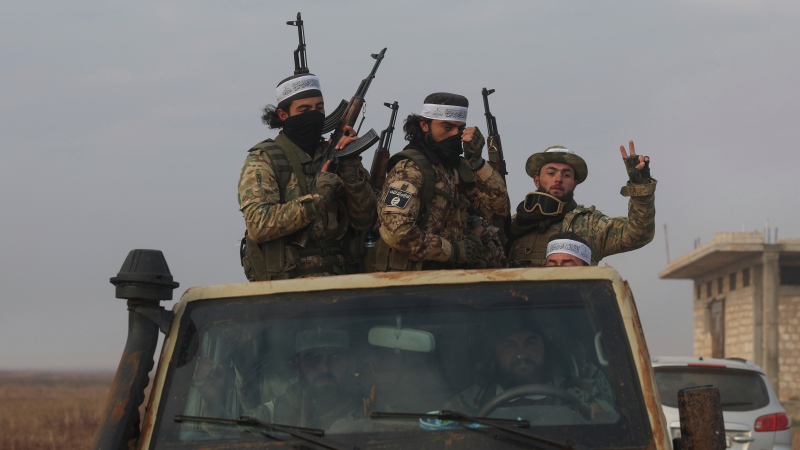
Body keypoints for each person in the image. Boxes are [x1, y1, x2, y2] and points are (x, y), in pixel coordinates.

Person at [238, 71, 377, 281]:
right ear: (284, 115)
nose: (314, 114)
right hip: (291, 285)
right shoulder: (265, 159)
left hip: (341, 277)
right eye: (304, 110)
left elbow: (365, 220)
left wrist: (350, 164)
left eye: (319, 108)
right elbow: (259, 225)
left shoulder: (335, 155)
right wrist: (317, 199)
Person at [372, 92, 510, 271]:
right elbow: (397, 231)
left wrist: (477, 161)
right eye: (447, 127)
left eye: (460, 129)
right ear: (424, 125)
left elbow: (498, 209)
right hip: (413, 281)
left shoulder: (456, 168)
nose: (455, 135)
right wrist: (451, 250)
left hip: (450, 279)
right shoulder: (410, 170)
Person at [508, 141, 656, 267]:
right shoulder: (514, 225)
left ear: (575, 183)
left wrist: (640, 185)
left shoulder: (589, 224)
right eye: (551, 173)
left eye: (566, 175)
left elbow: (638, 234)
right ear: (537, 180)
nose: (558, 179)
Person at [445, 320, 615, 422]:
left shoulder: (584, 394)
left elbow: (613, 431)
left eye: (530, 343)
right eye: (509, 345)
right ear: (496, 353)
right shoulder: (469, 401)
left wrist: (597, 417)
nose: (521, 354)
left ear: (544, 348)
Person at [244, 330, 363, 430]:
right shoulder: (270, 416)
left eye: (335, 358)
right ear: (297, 365)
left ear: (347, 363)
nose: (325, 368)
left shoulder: (365, 412)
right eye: (313, 359)